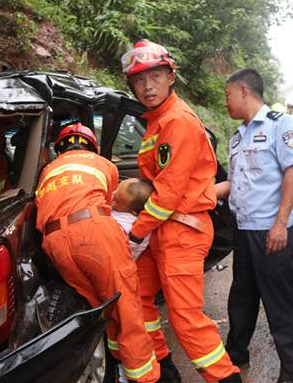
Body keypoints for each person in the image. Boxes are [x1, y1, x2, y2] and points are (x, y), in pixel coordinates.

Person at [121, 39, 241, 383]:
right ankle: (163, 366)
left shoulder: (178, 122)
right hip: (162, 230)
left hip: (181, 231)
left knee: (185, 317)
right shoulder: (156, 121)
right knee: (139, 298)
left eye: (155, 76)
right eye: (139, 80)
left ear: (170, 76)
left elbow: (169, 192)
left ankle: (225, 377)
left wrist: (135, 232)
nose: (147, 86)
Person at [34, 123, 160, 383]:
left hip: (53, 242)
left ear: (59, 149)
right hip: (93, 231)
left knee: (100, 306)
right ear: (92, 146)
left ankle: (117, 367)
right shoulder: (105, 165)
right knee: (125, 308)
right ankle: (143, 378)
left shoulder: (47, 171)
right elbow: (114, 201)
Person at [216, 68, 293, 383]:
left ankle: (292, 371)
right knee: (241, 294)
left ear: (243, 90)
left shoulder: (280, 125)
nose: (225, 102)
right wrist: (198, 193)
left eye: (228, 95)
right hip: (243, 229)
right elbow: (233, 182)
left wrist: (281, 223)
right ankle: (236, 352)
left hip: (272, 230)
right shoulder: (238, 136)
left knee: (278, 300)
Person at [112, 177, 154, 260]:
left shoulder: (126, 228)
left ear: (133, 212)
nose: (112, 194)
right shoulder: (124, 210)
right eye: (117, 188)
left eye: (116, 200)